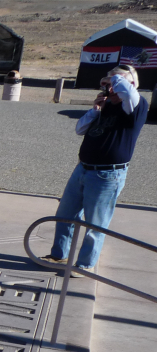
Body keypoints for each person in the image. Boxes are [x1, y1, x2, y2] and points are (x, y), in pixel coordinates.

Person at [42, 64, 148, 275]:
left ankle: (84, 265)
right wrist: (95, 110)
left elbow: (128, 91)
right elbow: (80, 129)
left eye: (115, 82)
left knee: (96, 224)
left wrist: (116, 79)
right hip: (83, 169)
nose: (110, 87)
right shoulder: (106, 106)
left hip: (107, 174)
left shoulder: (136, 105)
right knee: (65, 214)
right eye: (108, 82)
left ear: (131, 84)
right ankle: (58, 253)